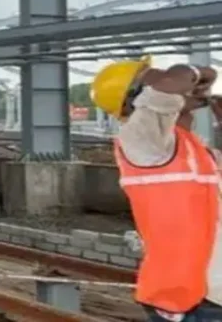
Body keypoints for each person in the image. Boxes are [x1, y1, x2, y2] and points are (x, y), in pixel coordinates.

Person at [91, 57, 222, 321]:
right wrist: (198, 72)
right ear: (137, 97)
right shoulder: (141, 140)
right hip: (191, 301)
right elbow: (168, 86)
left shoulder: (191, 149)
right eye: (154, 75)